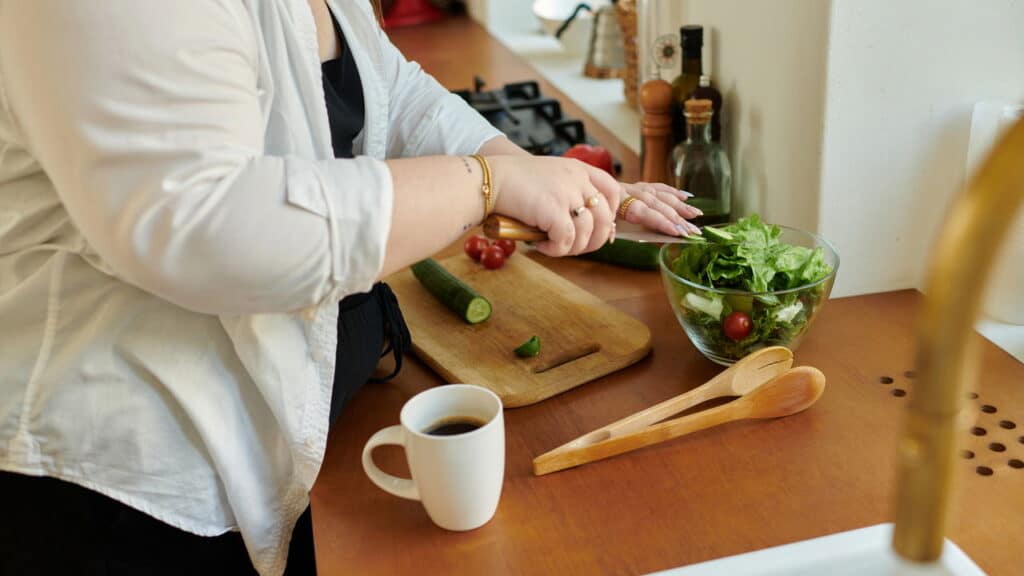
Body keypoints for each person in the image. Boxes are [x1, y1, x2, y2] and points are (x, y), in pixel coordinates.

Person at [0, 1, 701, 574]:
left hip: (282, 444)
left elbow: (391, 92)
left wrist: (529, 173)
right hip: (124, 489)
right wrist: (483, 185)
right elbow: (206, 225)